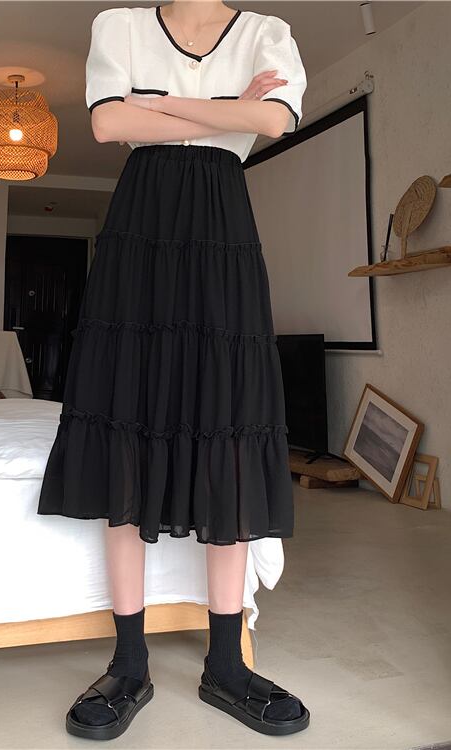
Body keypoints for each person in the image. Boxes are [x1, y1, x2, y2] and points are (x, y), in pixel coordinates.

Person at [37, 0, 310, 739]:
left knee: (229, 423)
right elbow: (107, 125)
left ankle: (226, 665)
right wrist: (227, 109)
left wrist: (157, 106)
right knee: (127, 416)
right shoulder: (118, 25)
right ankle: (129, 663)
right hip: (142, 225)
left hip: (223, 226)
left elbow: (275, 121)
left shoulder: (267, 33)